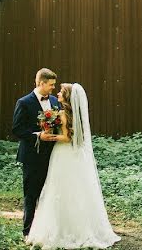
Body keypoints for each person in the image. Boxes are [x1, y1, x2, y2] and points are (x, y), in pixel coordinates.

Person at [26, 83, 120, 249]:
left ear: (67, 97)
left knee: (59, 188)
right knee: (76, 189)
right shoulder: (75, 114)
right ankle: (79, 227)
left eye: (61, 92)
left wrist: (51, 137)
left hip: (63, 154)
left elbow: (68, 138)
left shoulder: (63, 114)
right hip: (74, 156)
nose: (58, 93)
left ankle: (62, 229)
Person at [13, 68, 61, 237]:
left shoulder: (55, 101)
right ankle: (28, 232)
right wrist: (38, 135)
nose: (53, 88)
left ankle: (48, 230)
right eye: (51, 85)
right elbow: (17, 129)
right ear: (41, 83)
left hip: (53, 156)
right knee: (31, 194)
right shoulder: (24, 102)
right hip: (32, 157)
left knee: (51, 193)